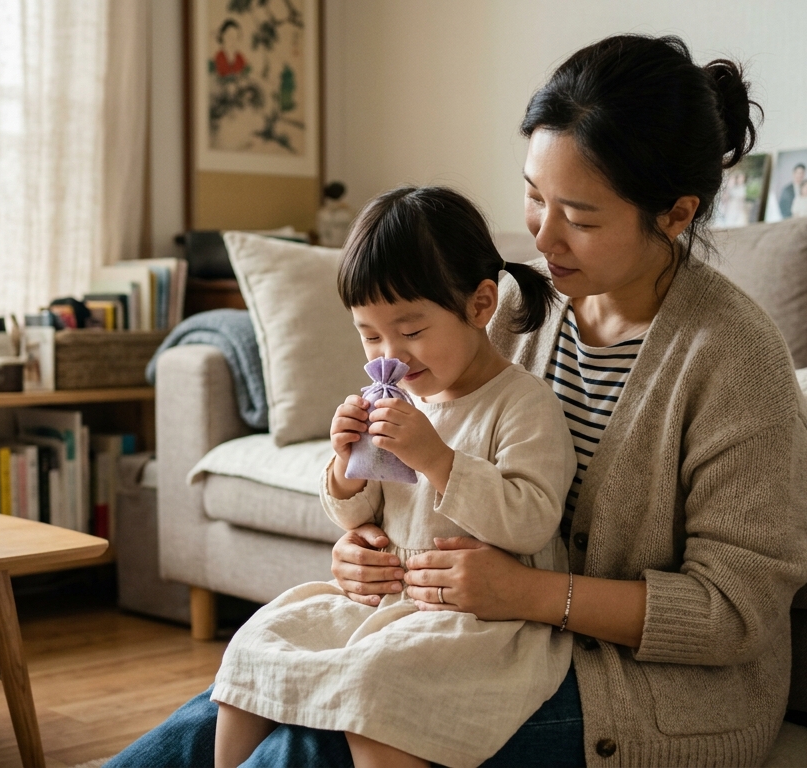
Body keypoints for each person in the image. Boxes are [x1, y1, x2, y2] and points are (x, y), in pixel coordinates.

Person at [111, 34, 807, 768]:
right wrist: (361, 550)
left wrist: (531, 593)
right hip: (458, 632)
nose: (542, 236)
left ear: (675, 214)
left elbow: (733, 615)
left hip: (643, 690)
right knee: (246, 690)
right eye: (534, 197)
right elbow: (414, 479)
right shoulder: (512, 310)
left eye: (579, 216)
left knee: (309, 740)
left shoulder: (737, 363)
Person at [213, 186, 574, 768]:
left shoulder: (521, 405)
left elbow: (530, 522)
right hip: (386, 601)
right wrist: (345, 466)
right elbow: (360, 516)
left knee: (376, 686)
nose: (392, 355)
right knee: (260, 642)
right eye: (370, 335)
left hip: (481, 622)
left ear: (481, 305)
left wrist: (436, 457)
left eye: (411, 331)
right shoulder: (397, 400)